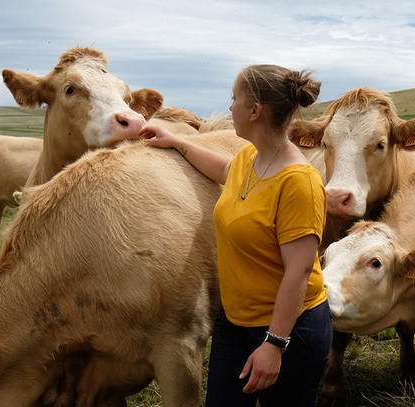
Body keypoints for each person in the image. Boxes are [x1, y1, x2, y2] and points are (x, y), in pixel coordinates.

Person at [139, 64, 331, 406]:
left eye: (234, 99)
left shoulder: (298, 181)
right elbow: (224, 169)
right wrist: (179, 142)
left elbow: (299, 271)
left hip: (289, 330)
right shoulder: (250, 158)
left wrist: (274, 345)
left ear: (255, 110)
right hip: (234, 320)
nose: (230, 108)